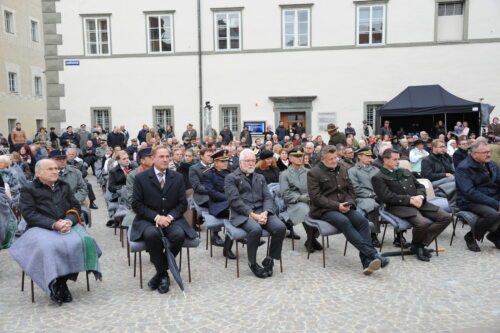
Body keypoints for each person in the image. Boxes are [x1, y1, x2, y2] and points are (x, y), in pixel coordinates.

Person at [10, 159, 101, 305]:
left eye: (56, 169)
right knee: (49, 247)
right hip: (40, 227)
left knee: (84, 241)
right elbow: (29, 214)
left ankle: (62, 280)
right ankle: (56, 283)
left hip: (65, 223)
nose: (55, 171)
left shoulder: (63, 186)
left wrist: (69, 221)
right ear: (39, 173)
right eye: (50, 169)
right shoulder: (29, 189)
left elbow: (76, 207)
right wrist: (53, 224)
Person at [308, 145, 389, 275]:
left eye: (336, 158)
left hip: (344, 206)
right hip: (324, 209)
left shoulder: (342, 169)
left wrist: (349, 203)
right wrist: (337, 206)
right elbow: (316, 198)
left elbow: (350, 191)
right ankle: (373, 254)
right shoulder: (314, 172)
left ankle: (366, 262)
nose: (335, 161)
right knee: (344, 221)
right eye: (331, 159)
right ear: (323, 159)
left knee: (362, 221)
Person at [131, 146, 197, 294]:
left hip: (171, 218)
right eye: (161, 156)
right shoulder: (141, 178)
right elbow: (137, 204)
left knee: (178, 235)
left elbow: (182, 204)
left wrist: (169, 217)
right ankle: (163, 274)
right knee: (151, 235)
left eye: (168, 156)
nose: (166, 159)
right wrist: (156, 217)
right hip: (148, 219)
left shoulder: (177, 177)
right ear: (153, 158)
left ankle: (160, 273)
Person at [372, 149, 452, 261]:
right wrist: (409, 200)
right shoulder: (378, 177)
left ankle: (418, 245)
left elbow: (420, 186)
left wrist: (420, 197)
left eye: (398, 159)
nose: (398, 161)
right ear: (385, 160)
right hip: (399, 206)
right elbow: (387, 197)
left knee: (446, 217)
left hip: (419, 202)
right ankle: (418, 247)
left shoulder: (405, 171)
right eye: (394, 159)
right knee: (422, 223)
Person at [224, 149, 286, 278]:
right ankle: (252, 263)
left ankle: (270, 258)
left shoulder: (260, 177)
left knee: (280, 228)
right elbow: (235, 201)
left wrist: (265, 212)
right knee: (255, 230)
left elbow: (268, 197)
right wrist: (253, 215)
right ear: (240, 162)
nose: (251, 163)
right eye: (247, 161)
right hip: (242, 214)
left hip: (261, 212)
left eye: (253, 160)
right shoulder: (231, 178)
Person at [455, 140, 500, 251]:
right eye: (485, 152)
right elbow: (469, 192)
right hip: (469, 201)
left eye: (489, 151)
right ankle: (471, 236)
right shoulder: (463, 168)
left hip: (490, 197)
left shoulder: (492, 164)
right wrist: (496, 204)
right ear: (474, 154)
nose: (489, 154)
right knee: (493, 215)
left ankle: (495, 235)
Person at [280, 147, 322, 250]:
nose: (300, 158)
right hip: (294, 202)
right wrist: (300, 197)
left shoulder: (309, 172)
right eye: (297, 156)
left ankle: (311, 239)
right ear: (290, 158)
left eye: (301, 156)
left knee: (323, 209)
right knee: (306, 211)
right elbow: (285, 193)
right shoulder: (284, 174)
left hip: (309, 199)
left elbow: (315, 187)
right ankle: (311, 240)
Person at [202, 150, 236, 259]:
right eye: (222, 161)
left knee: (238, 213)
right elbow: (211, 193)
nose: (225, 163)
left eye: (226, 161)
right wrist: (230, 198)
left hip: (231, 203)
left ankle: (229, 247)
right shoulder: (208, 174)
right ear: (215, 162)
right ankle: (240, 238)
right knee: (235, 215)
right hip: (218, 204)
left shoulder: (230, 172)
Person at [189, 147, 224, 245]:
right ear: (201, 157)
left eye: (212, 156)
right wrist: (213, 191)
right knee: (217, 204)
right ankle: (215, 235)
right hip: (202, 197)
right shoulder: (194, 168)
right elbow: (197, 187)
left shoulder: (216, 167)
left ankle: (236, 230)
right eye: (208, 156)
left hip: (216, 194)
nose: (211, 158)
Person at [348, 148, 381, 247]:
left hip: (379, 196)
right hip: (362, 197)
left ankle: (399, 236)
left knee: (397, 203)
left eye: (370, 156)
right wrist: (371, 194)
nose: (369, 158)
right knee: (373, 205)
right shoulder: (353, 171)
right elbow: (355, 188)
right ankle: (373, 234)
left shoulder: (376, 169)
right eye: (367, 156)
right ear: (359, 156)